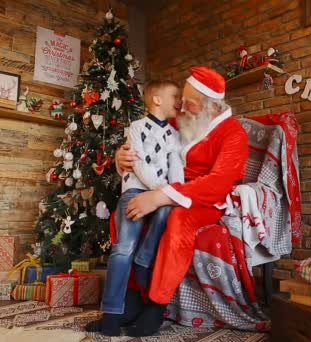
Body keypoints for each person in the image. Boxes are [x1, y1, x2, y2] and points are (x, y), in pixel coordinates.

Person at [111, 66, 249, 336]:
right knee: (127, 213)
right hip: (164, 187)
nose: (181, 106)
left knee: (178, 221)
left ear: (212, 106)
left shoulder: (234, 135)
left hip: (204, 199)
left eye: (189, 102)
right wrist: (122, 155)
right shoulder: (184, 119)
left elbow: (217, 183)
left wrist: (161, 197)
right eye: (181, 99)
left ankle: (155, 303)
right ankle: (130, 299)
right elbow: (148, 139)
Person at [87, 80, 184, 337]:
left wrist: (173, 191)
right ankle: (110, 314)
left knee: (167, 209)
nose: (180, 100)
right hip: (136, 191)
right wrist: (161, 190)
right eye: (175, 95)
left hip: (161, 193)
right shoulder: (136, 128)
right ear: (157, 100)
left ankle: (144, 260)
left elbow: (177, 171)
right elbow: (138, 164)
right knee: (123, 248)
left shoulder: (176, 137)